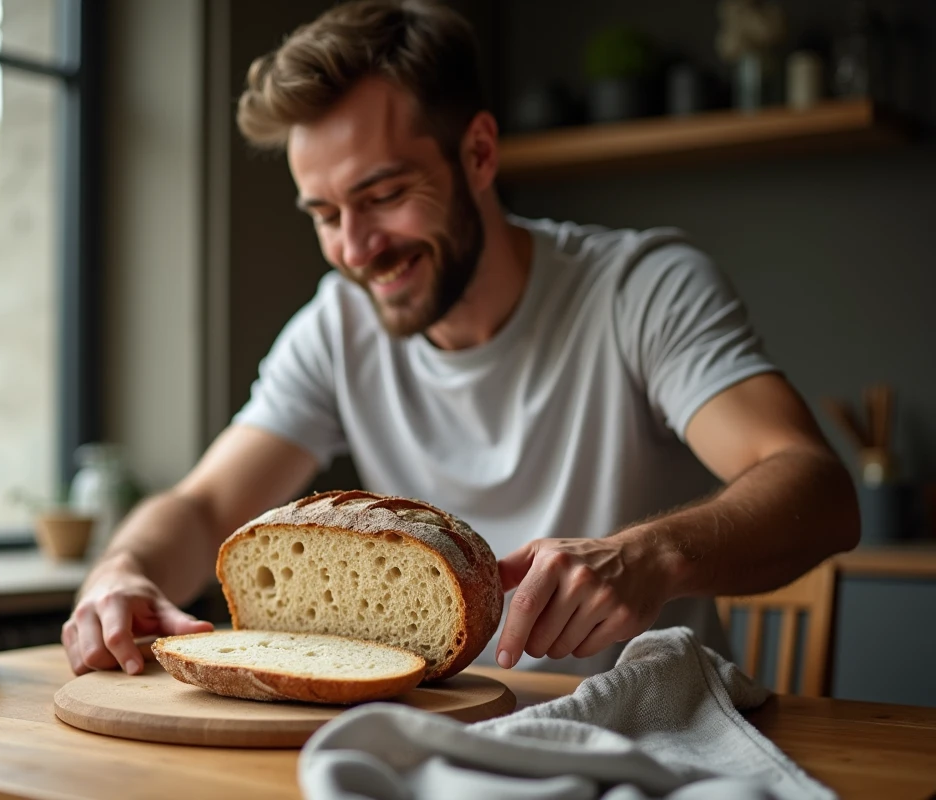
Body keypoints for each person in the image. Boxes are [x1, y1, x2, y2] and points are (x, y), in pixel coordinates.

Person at [61, 0, 859, 678]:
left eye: (384, 195)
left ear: (478, 153)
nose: (356, 249)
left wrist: (648, 556)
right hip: (441, 742)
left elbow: (815, 487)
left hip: (651, 737)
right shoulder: (339, 325)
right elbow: (204, 507)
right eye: (326, 215)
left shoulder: (641, 290)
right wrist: (119, 571)